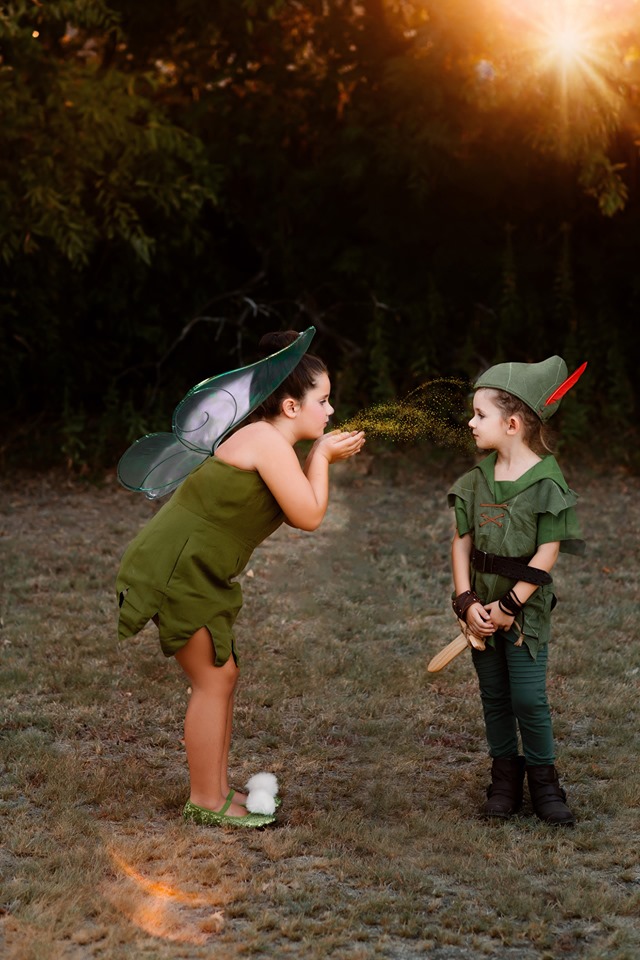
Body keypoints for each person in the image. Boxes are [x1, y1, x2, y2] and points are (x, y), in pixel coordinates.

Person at [116, 331, 365, 828]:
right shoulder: (264, 441)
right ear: (291, 406)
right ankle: (205, 800)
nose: (331, 410)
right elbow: (310, 515)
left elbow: (302, 513)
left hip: (199, 570)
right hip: (177, 569)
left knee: (221, 676)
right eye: (323, 399)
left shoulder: (267, 442)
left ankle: (216, 791)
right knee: (212, 678)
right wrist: (320, 459)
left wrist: (315, 459)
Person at [448, 356, 586, 826]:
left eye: (480, 415)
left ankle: (545, 783)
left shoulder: (547, 481)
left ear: (511, 423)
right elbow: (461, 543)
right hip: (479, 616)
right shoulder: (474, 482)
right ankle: (505, 779)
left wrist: (509, 605)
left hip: (523, 615)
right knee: (495, 696)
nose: (471, 422)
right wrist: (466, 602)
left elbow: (547, 552)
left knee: (528, 698)